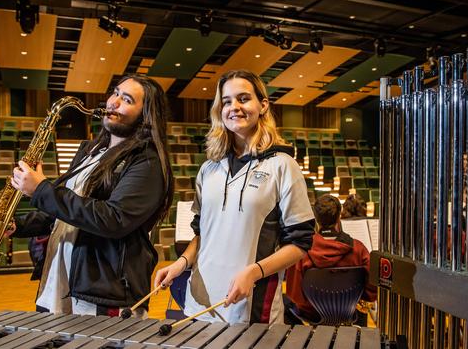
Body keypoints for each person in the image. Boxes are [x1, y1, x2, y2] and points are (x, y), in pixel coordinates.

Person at [155, 69, 315, 324]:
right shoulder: (209, 168)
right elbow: (202, 234)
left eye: (243, 98)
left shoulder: (283, 165)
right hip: (200, 301)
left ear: (263, 105)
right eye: (226, 101)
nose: (234, 107)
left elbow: (300, 243)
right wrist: (181, 263)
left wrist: (254, 272)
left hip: (251, 305)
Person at [9, 74, 174, 317]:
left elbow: (113, 219)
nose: (113, 102)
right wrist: (17, 225)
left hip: (103, 292)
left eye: (126, 99)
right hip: (58, 281)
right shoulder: (89, 150)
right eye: (115, 93)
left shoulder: (147, 162)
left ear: (146, 115)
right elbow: (64, 212)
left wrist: (42, 190)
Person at [285, 194, 377, 325]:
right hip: (349, 312)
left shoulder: (301, 252)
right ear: (339, 216)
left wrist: (316, 304)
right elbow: (371, 290)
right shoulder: (358, 249)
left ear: (315, 219)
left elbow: (295, 295)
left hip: (313, 315)